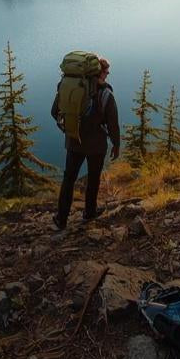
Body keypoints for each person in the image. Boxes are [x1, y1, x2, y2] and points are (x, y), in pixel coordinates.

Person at [51, 56, 119, 230]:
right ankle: (89, 213)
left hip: (74, 141)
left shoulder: (70, 87)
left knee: (69, 178)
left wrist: (70, 126)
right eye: (106, 72)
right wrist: (116, 144)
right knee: (93, 178)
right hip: (96, 145)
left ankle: (61, 218)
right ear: (99, 73)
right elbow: (113, 123)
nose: (108, 74)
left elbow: (54, 112)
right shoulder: (105, 94)